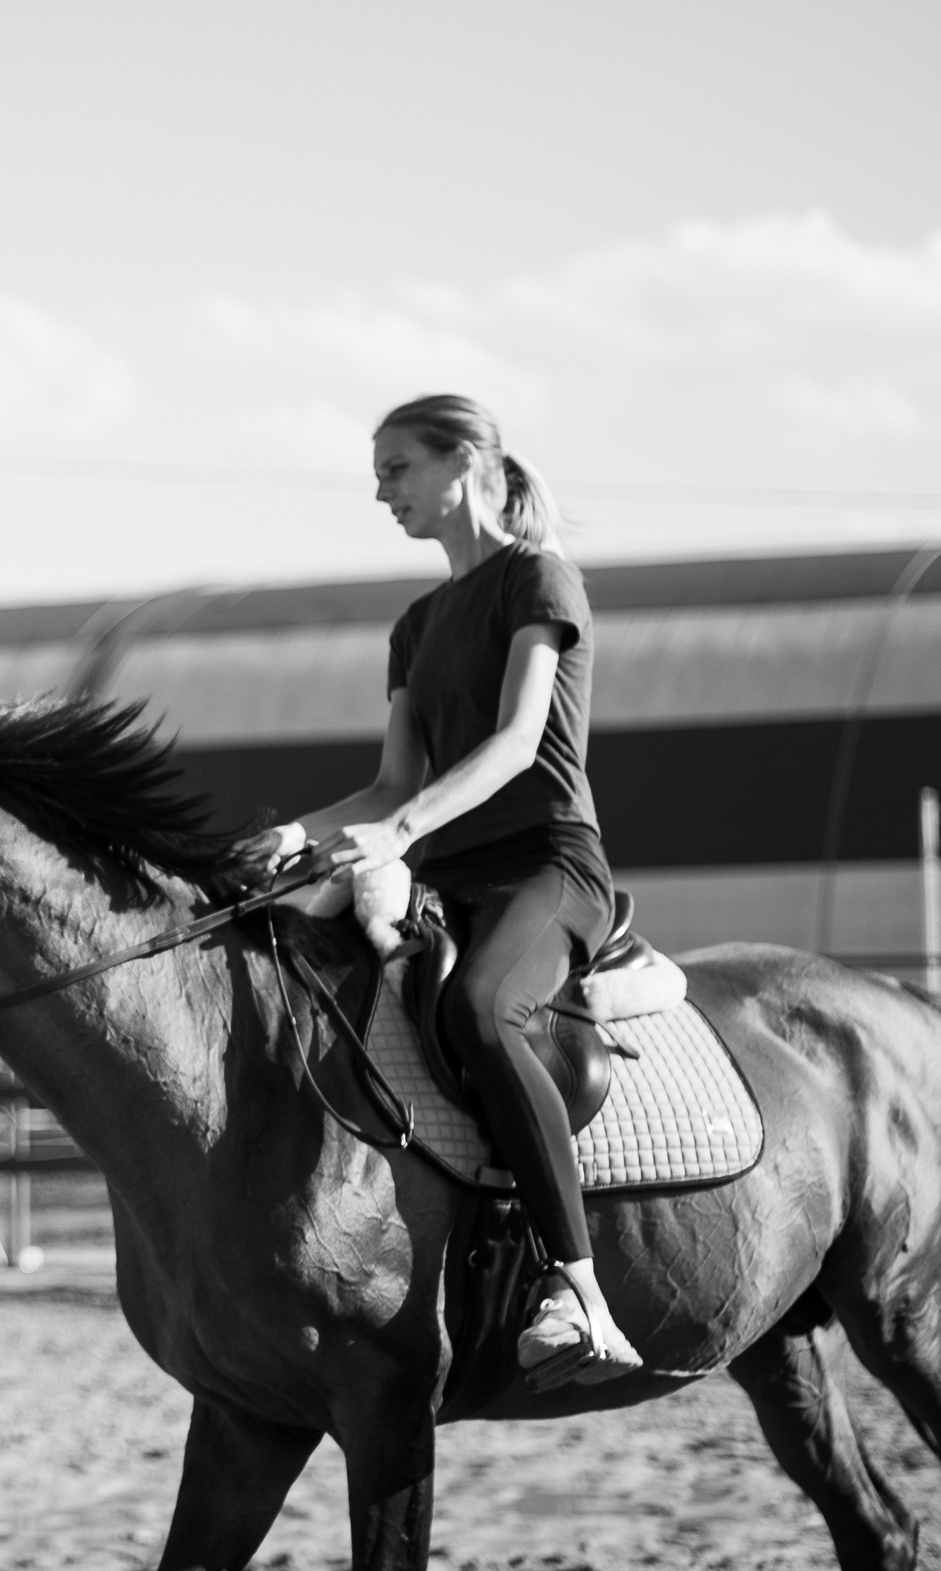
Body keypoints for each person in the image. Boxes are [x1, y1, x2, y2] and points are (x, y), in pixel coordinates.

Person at [247, 394, 636, 1387]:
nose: (383, 493)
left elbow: (517, 742)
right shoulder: (416, 625)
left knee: (479, 1008)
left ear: (464, 462)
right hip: (446, 877)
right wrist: (293, 833)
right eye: (379, 475)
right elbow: (390, 784)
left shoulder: (537, 578)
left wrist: (397, 834)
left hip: (547, 866)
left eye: (397, 469)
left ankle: (580, 1293)